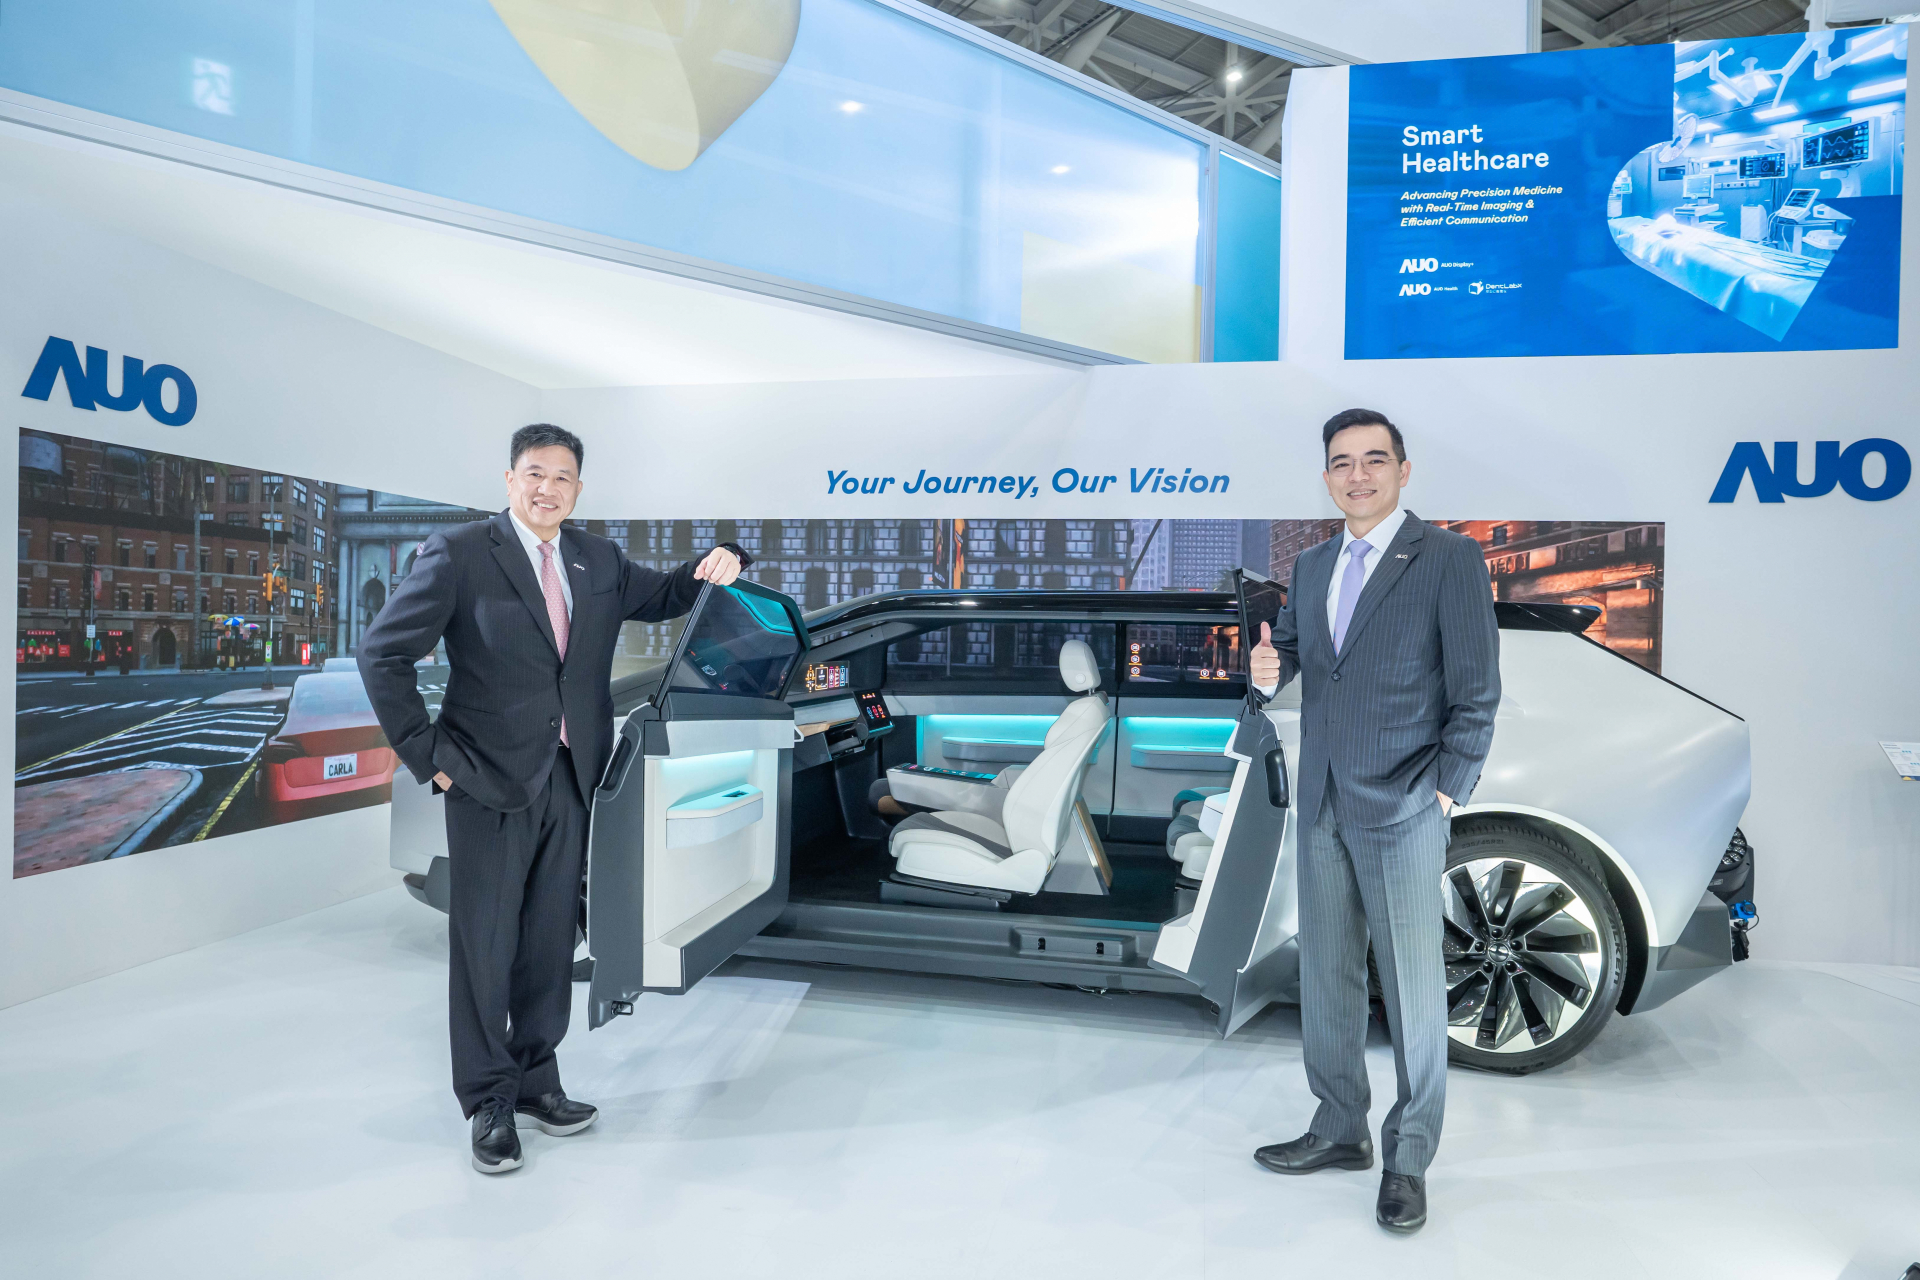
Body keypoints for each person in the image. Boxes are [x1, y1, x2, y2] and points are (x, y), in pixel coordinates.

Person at [358, 423, 751, 1176]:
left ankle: (538, 1081)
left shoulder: (596, 559)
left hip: (573, 778)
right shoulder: (460, 553)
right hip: (485, 781)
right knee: (485, 947)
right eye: (534, 474)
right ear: (510, 480)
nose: (547, 488)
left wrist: (724, 558)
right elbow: (383, 654)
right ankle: (489, 1100)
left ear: (578, 489)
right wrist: (431, 759)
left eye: (562, 477)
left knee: (548, 942)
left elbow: (670, 593)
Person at [1246, 408, 1499, 1234]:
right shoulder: (1313, 564)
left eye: (1374, 459)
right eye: (1342, 462)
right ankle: (1338, 1127)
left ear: (1402, 470)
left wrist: (1445, 792)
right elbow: (1293, 657)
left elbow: (1477, 691)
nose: (1358, 475)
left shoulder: (1450, 558)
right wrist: (1266, 669)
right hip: (1321, 798)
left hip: (1404, 804)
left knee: (1414, 993)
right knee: (1327, 975)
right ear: (1327, 476)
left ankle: (1409, 1158)